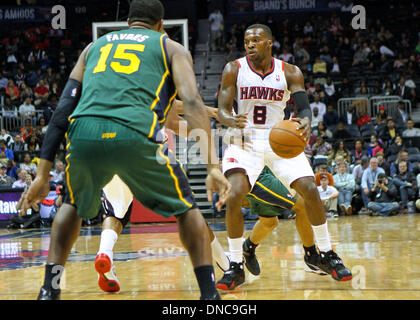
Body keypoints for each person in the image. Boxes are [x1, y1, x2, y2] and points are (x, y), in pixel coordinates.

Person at [21, 0, 231, 301]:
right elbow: (194, 104)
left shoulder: (93, 48)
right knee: (187, 209)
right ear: (161, 25)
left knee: (72, 205)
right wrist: (212, 165)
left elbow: (63, 109)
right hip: (135, 132)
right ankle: (209, 294)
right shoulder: (170, 47)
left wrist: (42, 173)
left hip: (83, 134)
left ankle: (49, 290)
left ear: (127, 21)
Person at [216, 23, 351, 290]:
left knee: (310, 189)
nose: (250, 45)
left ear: (269, 42)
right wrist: (230, 120)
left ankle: (325, 254)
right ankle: (235, 265)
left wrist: (306, 123)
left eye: (255, 40)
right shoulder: (234, 68)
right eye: (246, 41)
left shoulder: (289, 71)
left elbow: (303, 109)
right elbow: (222, 108)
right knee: (235, 193)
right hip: (245, 138)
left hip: (280, 138)